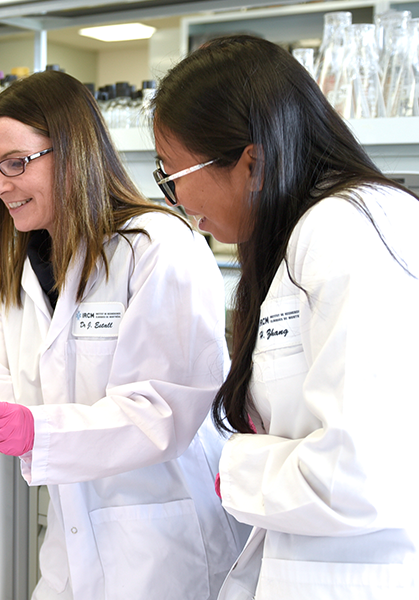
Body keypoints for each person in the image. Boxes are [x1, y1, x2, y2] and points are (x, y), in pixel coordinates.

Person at [0, 70, 245, 600]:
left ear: (74, 151)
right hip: (73, 537)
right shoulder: (25, 260)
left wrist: (38, 431)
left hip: (163, 541)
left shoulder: (157, 248)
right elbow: (7, 374)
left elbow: (165, 410)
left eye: (15, 163)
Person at [151, 34, 419, 599]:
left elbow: (357, 474)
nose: (175, 199)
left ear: (253, 161)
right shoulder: (316, 233)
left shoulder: (345, 233)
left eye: (172, 175)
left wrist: (238, 470)